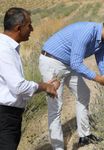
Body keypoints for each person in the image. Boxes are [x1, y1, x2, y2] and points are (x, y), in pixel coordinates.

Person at [39, 16, 104, 149]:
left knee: (84, 94)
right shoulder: (87, 31)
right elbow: (76, 63)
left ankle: (84, 136)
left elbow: (103, 66)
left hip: (68, 63)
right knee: (55, 106)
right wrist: (97, 78)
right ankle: (57, 147)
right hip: (52, 62)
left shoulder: (101, 42)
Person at [0, 7, 60, 150]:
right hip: (5, 116)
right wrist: (45, 86)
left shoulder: (6, 47)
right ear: (18, 28)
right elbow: (18, 86)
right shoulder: (5, 50)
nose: (32, 29)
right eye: (29, 25)